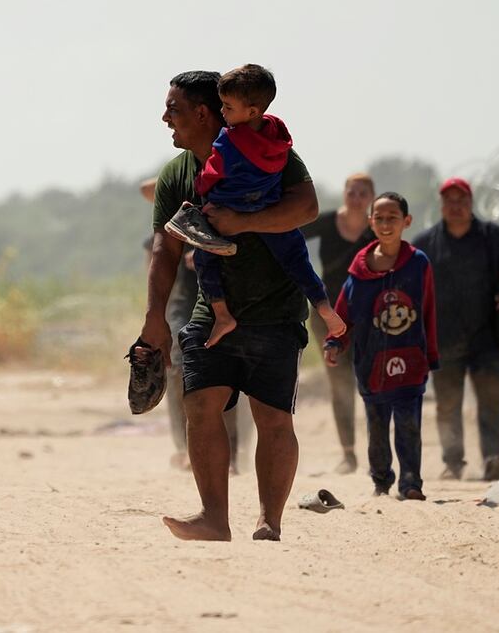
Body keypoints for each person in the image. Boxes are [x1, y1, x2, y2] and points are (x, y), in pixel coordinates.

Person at [138, 70, 319, 542]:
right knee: (200, 403)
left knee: (272, 416)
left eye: (173, 110)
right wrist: (154, 318)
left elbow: (306, 208)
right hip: (211, 305)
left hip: (275, 305)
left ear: (202, 113)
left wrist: (243, 221)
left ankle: (269, 520)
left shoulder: (265, 149)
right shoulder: (177, 174)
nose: (165, 119)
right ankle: (215, 518)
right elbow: (165, 249)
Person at [164, 65, 344, 348]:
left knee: (203, 256)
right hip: (269, 204)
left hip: (228, 209)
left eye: (228, 106)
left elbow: (214, 171)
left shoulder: (228, 140)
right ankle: (323, 306)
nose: (223, 113)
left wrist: (202, 187)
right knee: (298, 261)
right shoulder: (277, 134)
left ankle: (222, 315)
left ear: (250, 111)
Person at [325, 192, 438, 500]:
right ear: (370, 222)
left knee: (409, 424)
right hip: (370, 361)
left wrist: (431, 354)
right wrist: (335, 340)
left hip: (411, 360)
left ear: (407, 221)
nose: (386, 224)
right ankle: (381, 480)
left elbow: (428, 311)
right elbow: (344, 311)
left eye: (393, 218)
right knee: (377, 426)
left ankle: (411, 482)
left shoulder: (418, 264)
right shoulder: (360, 268)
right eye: (380, 218)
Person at [412, 177, 499, 481]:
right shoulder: (426, 243)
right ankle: (453, 462)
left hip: (488, 335)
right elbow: (410, 280)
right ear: (442, 205)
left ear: (471, 203)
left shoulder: (492, 235)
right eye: (450, 201)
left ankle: (491, 459)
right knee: (447, 404)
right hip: (443, 337)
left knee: (490, 400)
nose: (456, 207)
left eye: (462, 200)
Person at [140, 179, 241, 473]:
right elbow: (146, 189)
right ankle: (184, 448)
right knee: (176, 370)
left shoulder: (222, 205)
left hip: (226, 298)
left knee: (228, 373)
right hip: (183, 302)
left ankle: (231, 453)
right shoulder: (172, 219)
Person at [302, 173, 376, 473]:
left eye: (362, 193)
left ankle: (377, 451)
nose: (356, 197)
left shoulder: (378, 229)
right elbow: (289, 236)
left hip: (368, 316)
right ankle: (348, 454)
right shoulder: (328, 222)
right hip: (326, 312)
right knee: (339, 383)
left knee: (371, 382)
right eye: (351, 191)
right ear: (344, 194)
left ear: (371, 197)